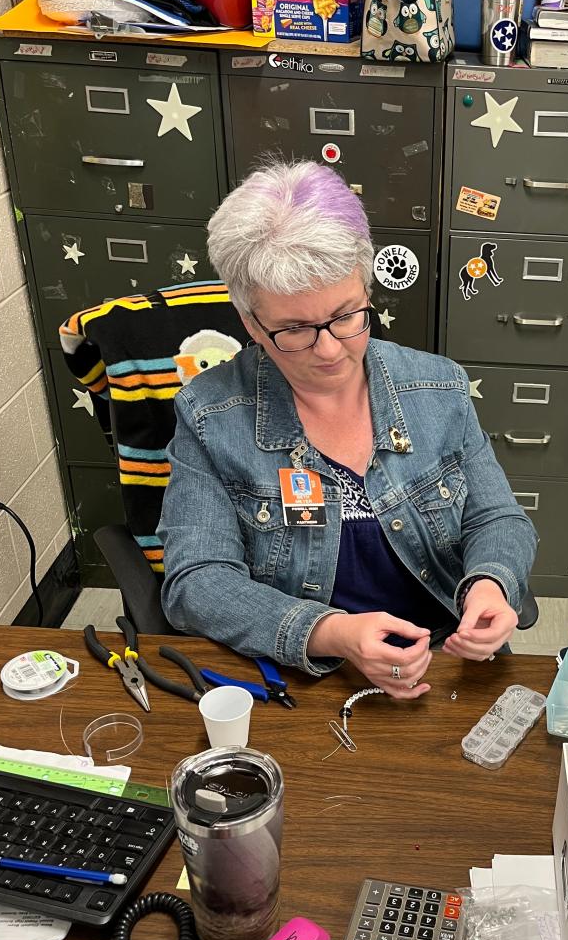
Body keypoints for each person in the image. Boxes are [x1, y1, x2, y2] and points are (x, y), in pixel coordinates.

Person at [159, 160, 537, 700]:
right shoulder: (210, 414)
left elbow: (498, 518)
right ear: (249, 323)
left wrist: (491, 584)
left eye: (345, 316)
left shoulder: (438, 387)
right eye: (294, 329)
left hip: (450, 664)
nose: (331, 349)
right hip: (309, 675)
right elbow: (197, 581)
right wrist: (330, 632)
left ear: (365, 286)